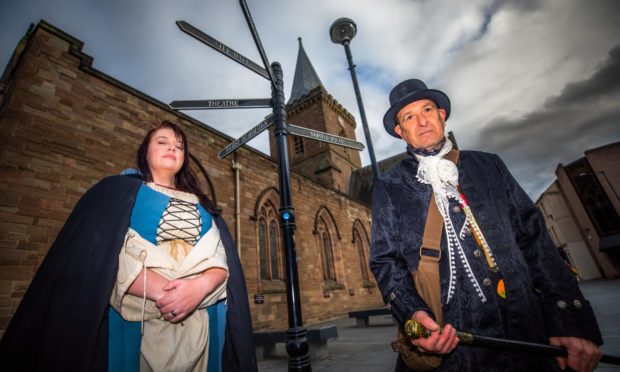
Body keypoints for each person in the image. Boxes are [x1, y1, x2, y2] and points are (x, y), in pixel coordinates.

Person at [369, 79, 603, 371]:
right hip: (452, 344)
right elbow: (385, 261)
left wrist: (569, 319)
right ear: (400, 132)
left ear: (442, 114)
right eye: (409, 117)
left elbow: (535, 240)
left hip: (526, 331)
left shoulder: (489, 166)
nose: (422, 121)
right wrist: (413, 314)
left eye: (427, 109)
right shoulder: (388, 186)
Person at [0, 120, 257, 372]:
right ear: (145, 151)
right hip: (134, 319)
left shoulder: (205, 207)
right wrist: (163, 293)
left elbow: (220, 259)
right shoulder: (114, 192)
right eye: (162, 142)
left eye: (179, 146)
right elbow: (98, 254)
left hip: (201, 323)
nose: (172, 148)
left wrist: (198, 288)